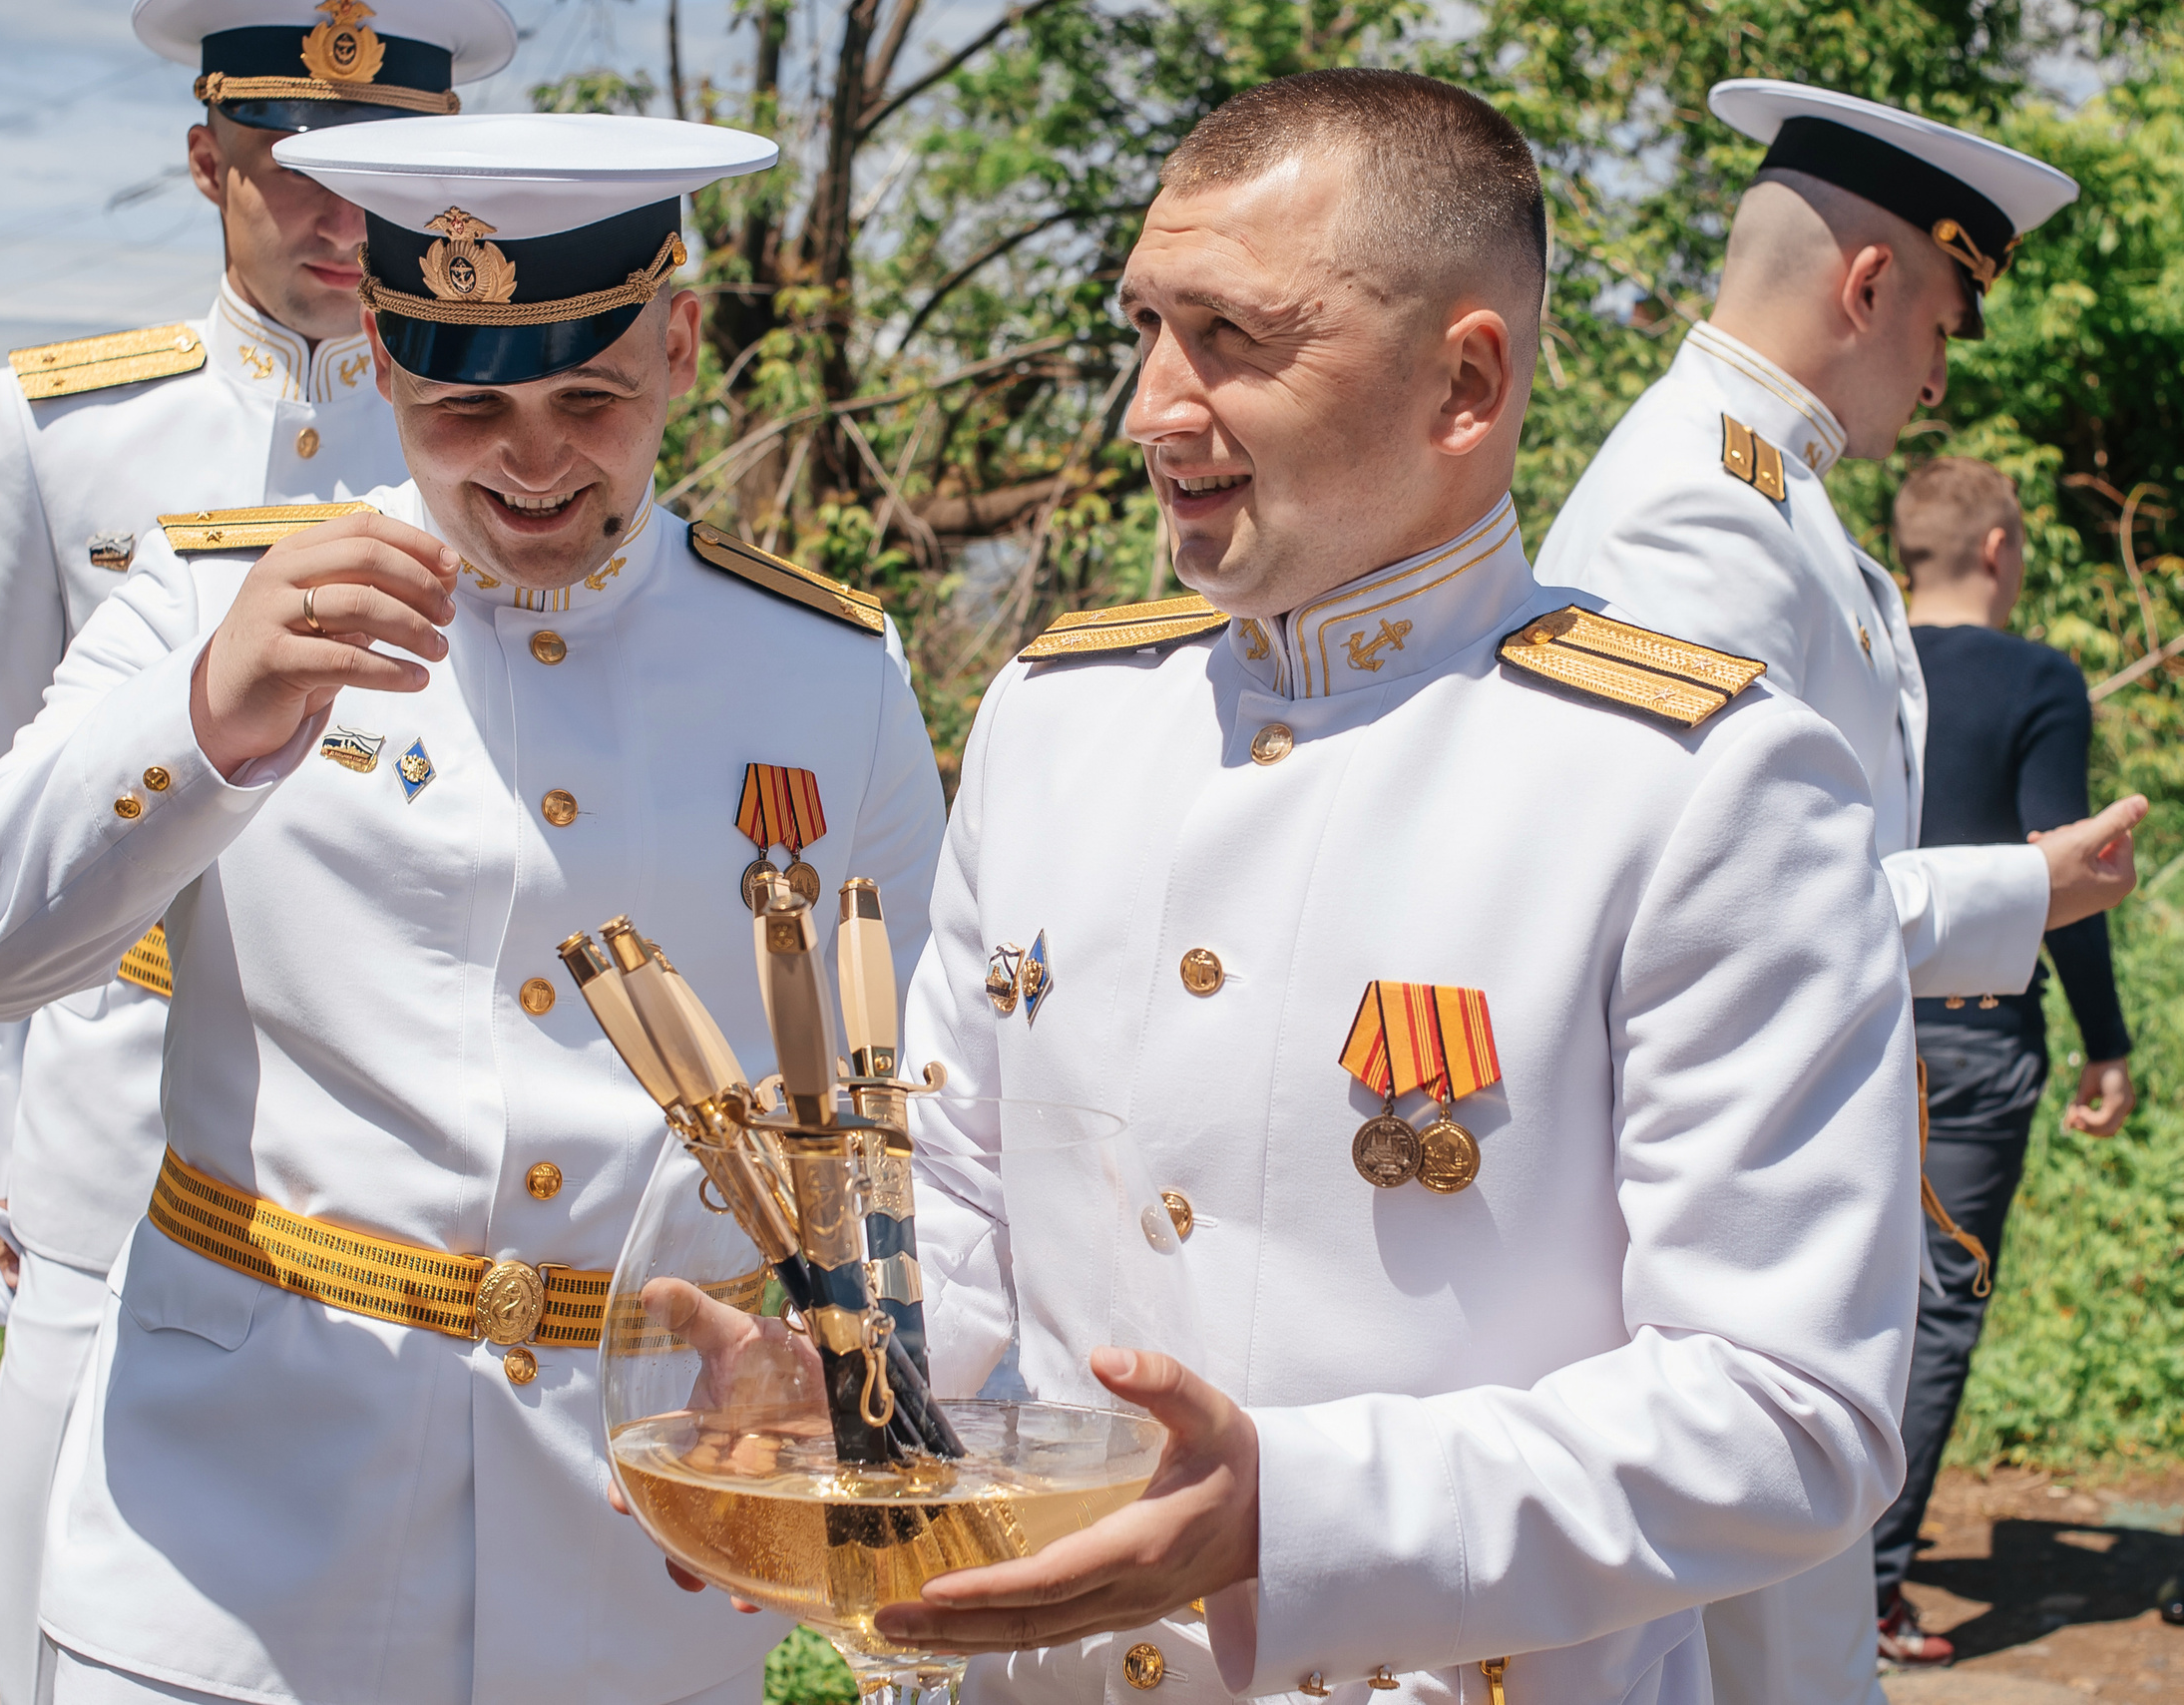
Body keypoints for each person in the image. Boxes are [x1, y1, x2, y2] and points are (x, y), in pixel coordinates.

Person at [864, 69, 1923, 1705]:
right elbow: (960, 1196)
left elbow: (1792, 1407)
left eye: (1232, 337)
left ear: (1464, 382)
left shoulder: (1700, 782)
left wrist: (1299, 1513)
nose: (1154, 405)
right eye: (1146, 327)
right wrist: (828, 1393)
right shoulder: (1052, 717)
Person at [0, 111, 946, 1705]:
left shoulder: (825, 672)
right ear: (380, 352)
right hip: (228, 1563)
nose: (531, 457)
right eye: (466, 404)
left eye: (590, 394)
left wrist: (856, 1420)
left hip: (629, 1572)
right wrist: (204, 721)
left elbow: (910, 1122)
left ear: (678, 340)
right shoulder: (210, 597)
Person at [0, 3, 517, 1697]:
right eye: (293, 184)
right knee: (65, 1611)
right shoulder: (64, 435)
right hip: (113, 1118)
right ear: (208, 167)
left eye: (384, 198)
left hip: (397, 1133)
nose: (343, 233)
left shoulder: (503, 433)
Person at [1533, 79, 2145, 1705]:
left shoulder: (1764, 489)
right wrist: (2022, 887)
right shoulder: (1699, 506)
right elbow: (1673, 924)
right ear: (1871, 289)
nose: (1944, 373)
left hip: (1763, 1239)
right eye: (1944, 320)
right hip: (1706, 1258)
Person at [1868, 456, 2134, 1664]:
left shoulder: (1852, 656)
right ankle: (1871, 1586)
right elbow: (2056, 876)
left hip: (1842, 1014)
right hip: (1972, 1030)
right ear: (1995, 549)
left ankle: (1812, 1572)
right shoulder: (2035, 675)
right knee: (1936, 1308)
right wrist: (2108, 1045)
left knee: (1828, 1290)